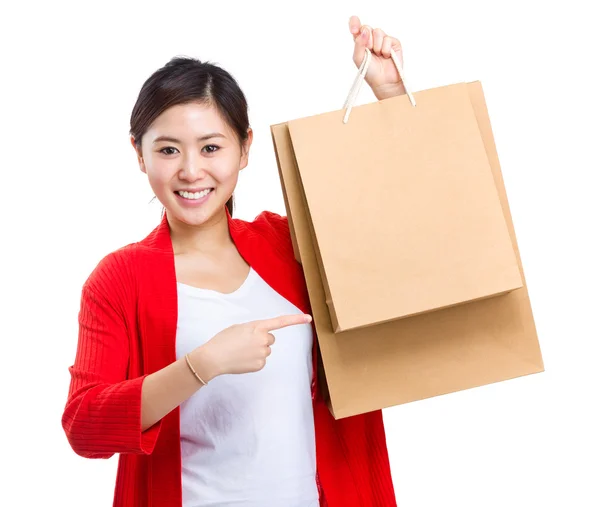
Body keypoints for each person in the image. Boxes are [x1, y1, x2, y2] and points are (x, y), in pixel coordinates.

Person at [62, 15, 408, 507]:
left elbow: (407, 234)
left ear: (245, 148)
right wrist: (201, 365)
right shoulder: (119, 279)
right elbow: (84, 426)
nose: (190, 170)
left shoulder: (290, 244)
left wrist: (390, 94)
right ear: (139, 155)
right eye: (167, 149)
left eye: (210, 147)